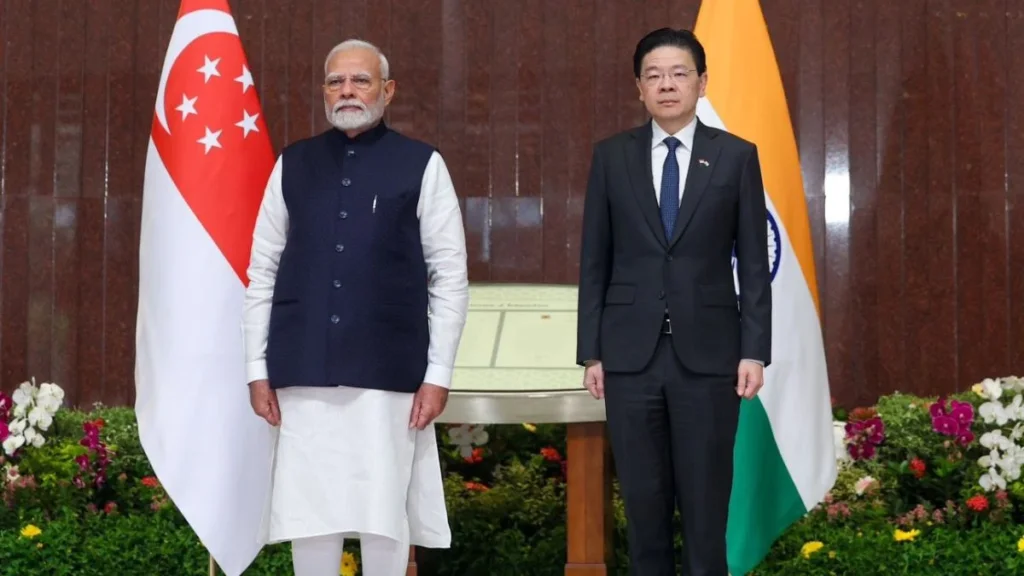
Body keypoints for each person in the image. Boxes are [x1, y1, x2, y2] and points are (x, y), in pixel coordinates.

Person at [242, 38, 469, 576]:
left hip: (388, 374)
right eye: (336, 81)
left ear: (387, 91)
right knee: (309, 516)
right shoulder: (292, 163)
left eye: (361, 80)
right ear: (324, 91)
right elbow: (261, 271)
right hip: (302, 370)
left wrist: (438, 375)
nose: (347, 91)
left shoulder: (422, 164)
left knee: (383, 517)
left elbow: (450, 277)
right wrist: (256, 368)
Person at [575, 28, 771, 576]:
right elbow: (594, 260)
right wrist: (591, 351)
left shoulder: (735, 157)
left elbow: (754, 264)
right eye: (654, 75)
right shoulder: (611, 156)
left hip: (709, 359)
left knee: (706, 513)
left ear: (702, 83)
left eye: (679, 74)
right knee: (644, 511)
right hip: (629, 358)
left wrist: (754, 350)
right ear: (638, 87)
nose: (667, 85)